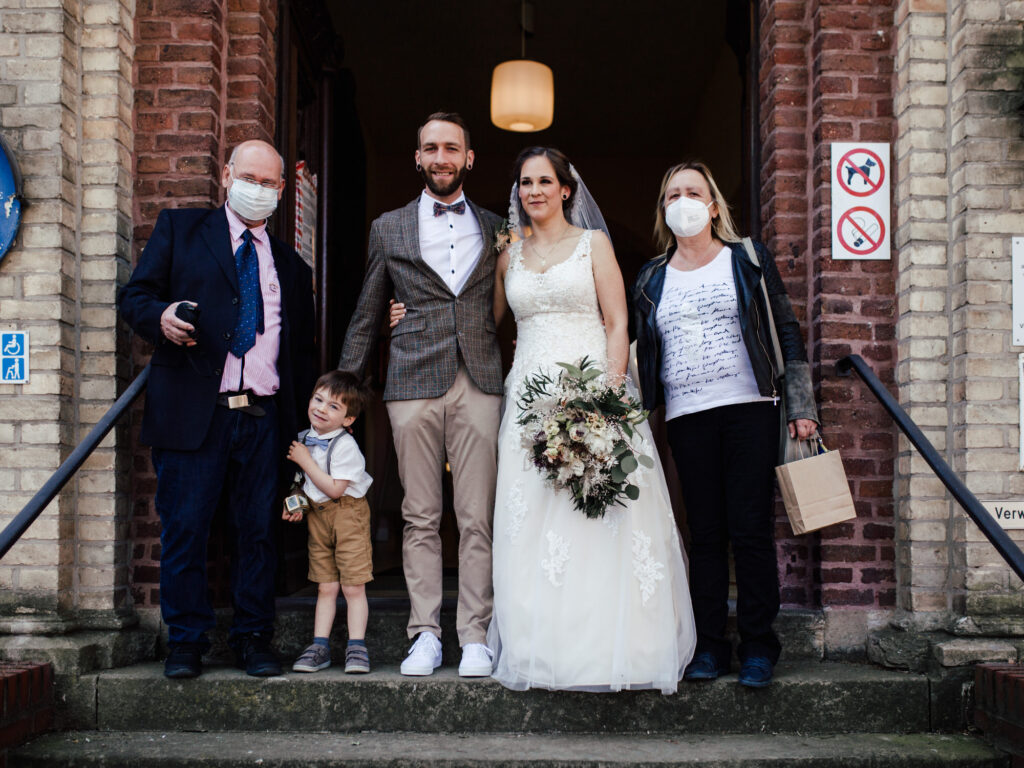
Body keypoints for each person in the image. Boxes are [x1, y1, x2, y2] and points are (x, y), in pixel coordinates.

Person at [393, 147, 696, 693]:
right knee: (530, 520)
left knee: (596, 518)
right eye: (525, 182)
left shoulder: (594, 245)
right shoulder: (508, 253)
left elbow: (617, 320)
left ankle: (613, 648)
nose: (533, 190)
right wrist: (410, 314)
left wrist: (606, 398)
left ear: (565, 190)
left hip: (591, 390)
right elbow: (477, 325)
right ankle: (541, 648)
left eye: (544, 181)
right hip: (527, 400)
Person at [119, 139, 316, 679]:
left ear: (281, 190)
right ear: (227, 177)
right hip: (193, 412)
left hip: (263, 415)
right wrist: (158, 317)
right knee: (186, 529)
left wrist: (302, 432)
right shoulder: (181, 231)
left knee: (258, 533)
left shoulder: (293, 268)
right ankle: (186, 641)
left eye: (270, 183)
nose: (259, 189)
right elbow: (134, 297)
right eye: (249, 178)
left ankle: (254, 637)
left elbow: (300, 354)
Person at [632, 161, 818, 688]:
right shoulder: (651, 276)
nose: (684, 201)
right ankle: (710, 646)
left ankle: (759, 647)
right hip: (687, 419)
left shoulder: (747, 260)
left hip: (749, 409)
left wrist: (802, 406)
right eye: (673, 195)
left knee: (751, 530)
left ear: (713, 205)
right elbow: (642, 351)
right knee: (706, 535)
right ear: (664, 209)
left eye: (694, 192)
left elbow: (786, 329)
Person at [338, 112, 505, 678]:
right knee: (420, 515)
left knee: (477, 515)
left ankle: (476, 635)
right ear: (417, 158)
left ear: (469, 158)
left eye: (451, 148)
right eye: (430, 148)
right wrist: (345, 383)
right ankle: (426, 634)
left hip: (481, 379)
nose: (441, 158)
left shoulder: (500, 225)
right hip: (410, 380)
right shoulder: (389, 227)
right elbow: (368, 306)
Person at [283, 371, 374, 674]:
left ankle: (357, 647)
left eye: (333, 406)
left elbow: (335, 488)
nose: (321, 408)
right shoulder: (303, 439)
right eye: (318, 400)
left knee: (352, 586)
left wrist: (305, 460)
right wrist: (295, 500)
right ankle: (319, 645)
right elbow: (303, 481)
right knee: (325, 585)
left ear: (348, 420)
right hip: (318, 517)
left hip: (347, 515)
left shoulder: (345, 446)